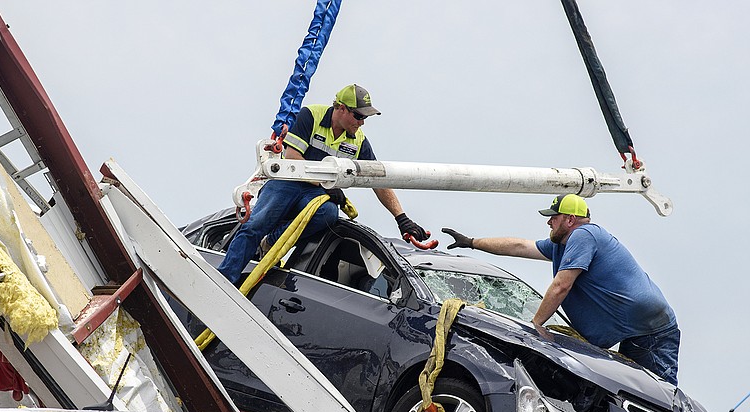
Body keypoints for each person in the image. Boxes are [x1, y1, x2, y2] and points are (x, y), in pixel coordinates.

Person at [442, 194, 680, 385]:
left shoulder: (584, 234)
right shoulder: (562, 246)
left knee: (660, 399)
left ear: (569, 219)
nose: (548, 222)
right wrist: (472, 242)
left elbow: (561, 286)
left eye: (553, 217)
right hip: (633, 331)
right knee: (629, 394)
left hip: (651, 333)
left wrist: (534, 327)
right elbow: (519, 246)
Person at [218, 84, 428, 285]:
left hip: (315, 192)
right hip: (287, 182)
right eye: (358, 116)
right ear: (341, 109)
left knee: (327, 215)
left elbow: (378, 180)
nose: (362, 122)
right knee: (256, 223)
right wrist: (326, 184)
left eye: (365, 117)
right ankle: (224, 281)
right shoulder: (311, 116)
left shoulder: (358, 141)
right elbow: (292, 157)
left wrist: (402, 218)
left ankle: (271, 242)